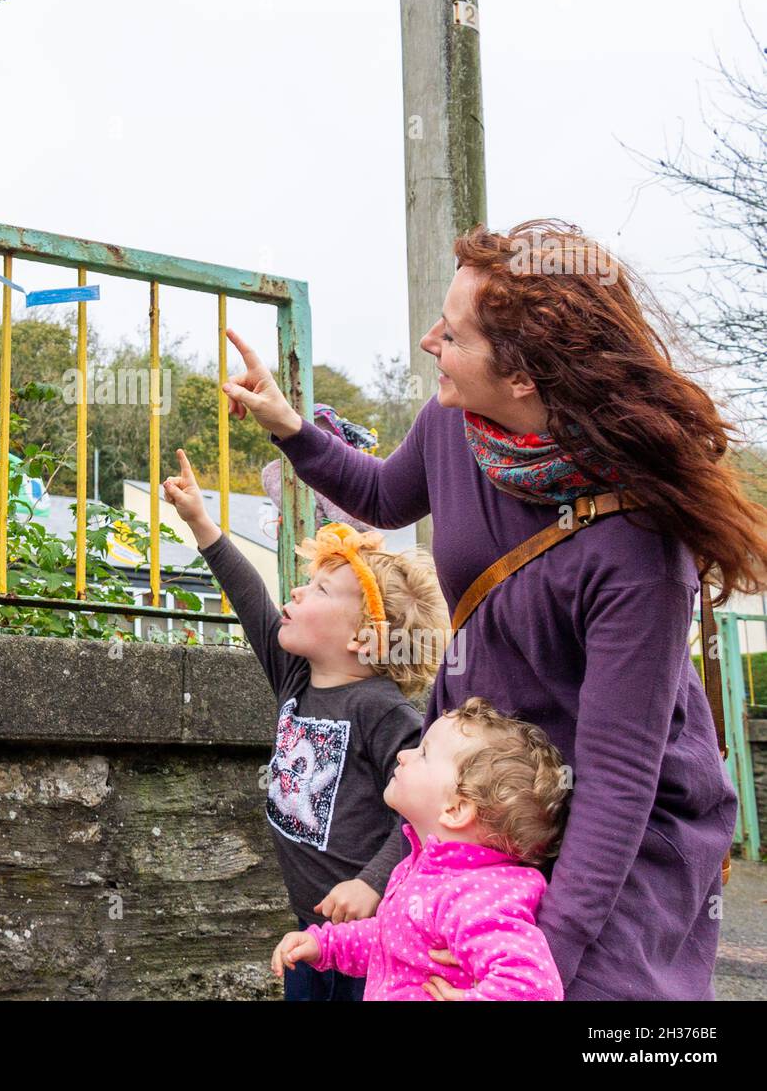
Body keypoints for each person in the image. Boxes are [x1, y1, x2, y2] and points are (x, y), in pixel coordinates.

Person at [222, 218, 767, 1000]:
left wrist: (537, 965)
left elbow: (616, 783)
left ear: (523, 378)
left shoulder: (640, 545)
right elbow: (382, 492)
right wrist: (290, 427)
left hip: (622, 826)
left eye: (455, 332)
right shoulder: (457, 424)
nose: (428, 337)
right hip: (493, 798)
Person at [162, 448, 449, 1000]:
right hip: (312, 936)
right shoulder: (296, 678)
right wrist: (201, 520)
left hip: (374, 944)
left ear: (362, 637)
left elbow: (425, 815)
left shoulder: (382, 710)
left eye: (319, 590)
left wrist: (372, 882)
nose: (295, 592)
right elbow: (251, 599)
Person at [271, 697, 568, 1001]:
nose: (403, 755)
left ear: (456, 809)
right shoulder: (425, 872)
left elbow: (533, 986)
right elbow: (389, 937)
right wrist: (326, 946)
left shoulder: (475, 897)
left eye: (424, 754)